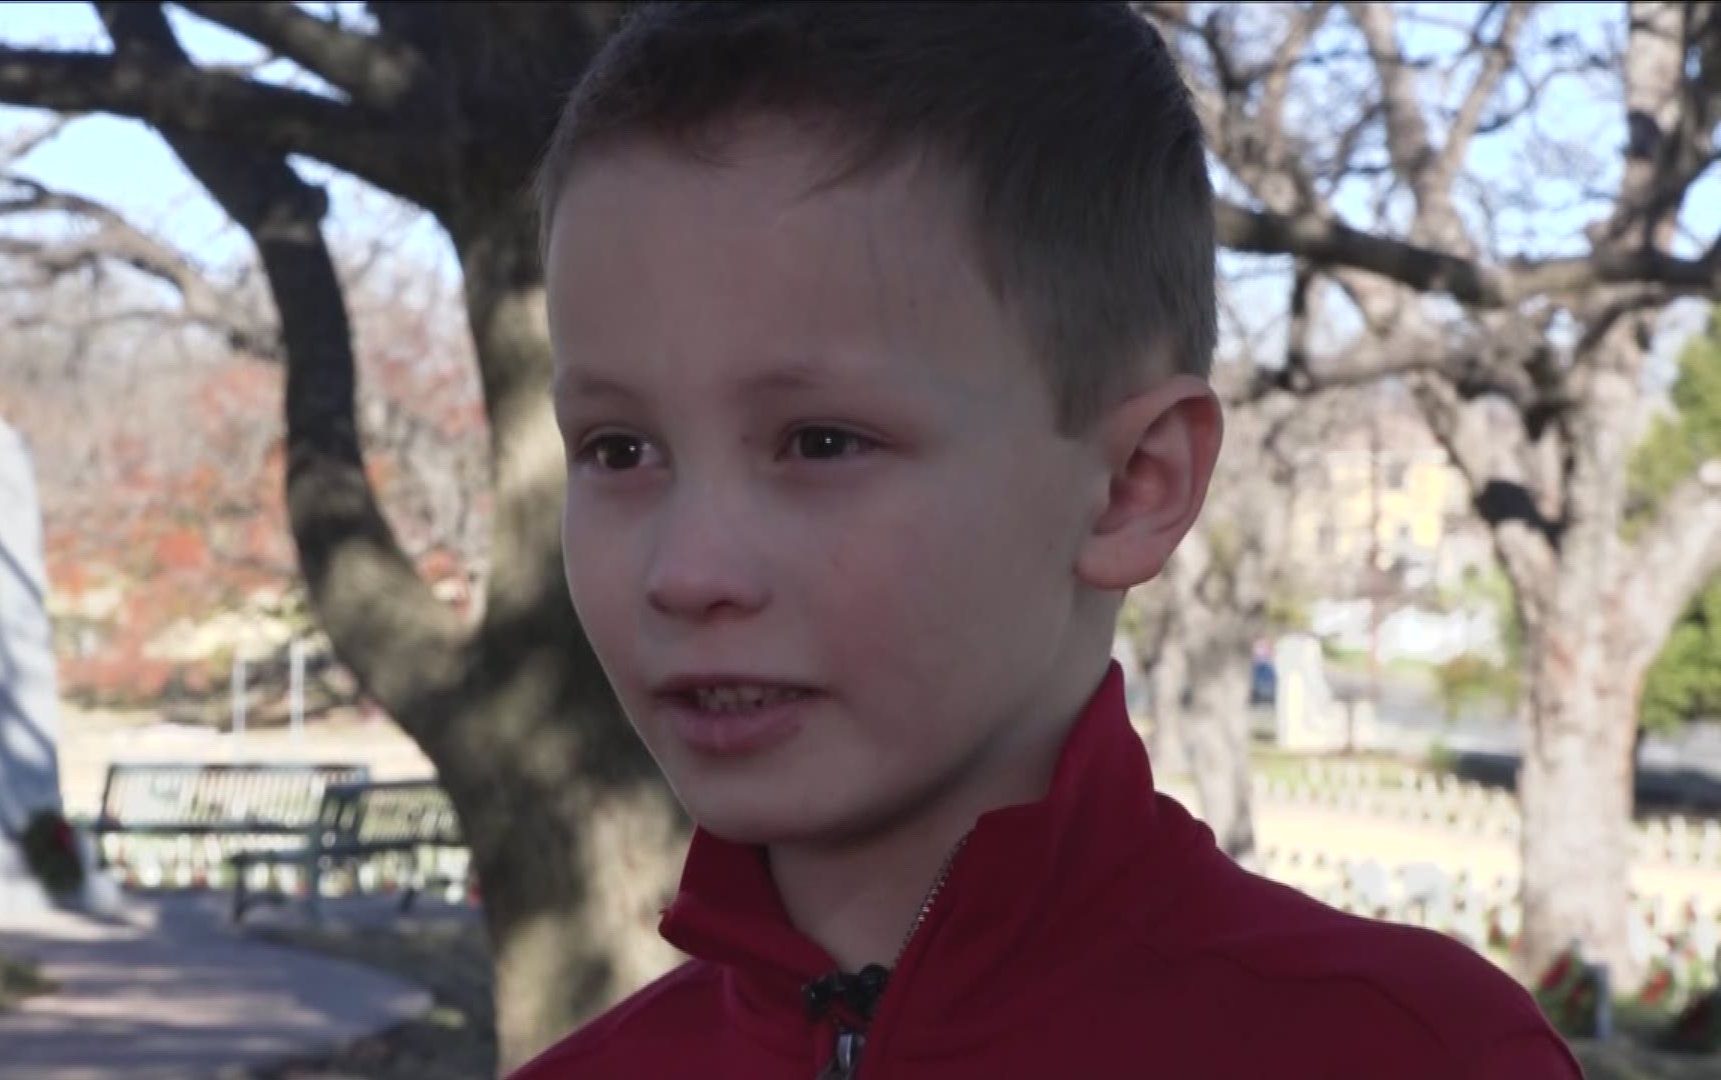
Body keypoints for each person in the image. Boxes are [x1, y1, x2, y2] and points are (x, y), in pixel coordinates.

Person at [514, 3, 1584, 1077]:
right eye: (616, 450)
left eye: (821, 441)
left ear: (1131, 486)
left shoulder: (1411, 1055)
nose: (688, 572)